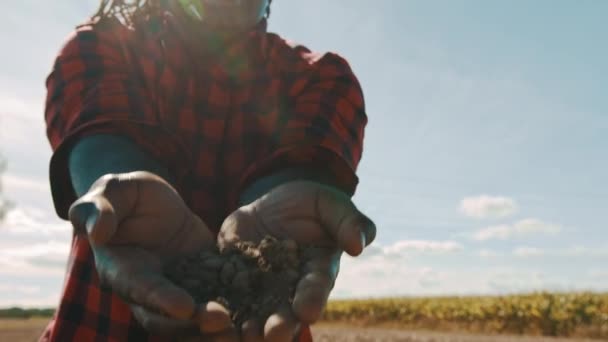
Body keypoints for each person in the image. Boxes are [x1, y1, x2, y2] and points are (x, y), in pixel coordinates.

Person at [41, 0, 376, 341]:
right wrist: (118, 176)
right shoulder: (102, 46)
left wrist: (287, 206)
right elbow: (102, 129)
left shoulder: (320, 78)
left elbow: (304, 160)